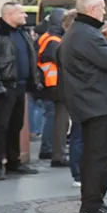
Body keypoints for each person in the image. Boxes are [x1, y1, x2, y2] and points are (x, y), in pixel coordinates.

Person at [61, 0, 107, 213]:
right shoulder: (86, 34)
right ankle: (91, 206)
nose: (104, 12)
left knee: (99, 156)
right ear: (92, 9)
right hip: (96, 104)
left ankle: (95, 203)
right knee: (98, 157)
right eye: (102, 8)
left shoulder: (82, 32)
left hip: (94, 103)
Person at [0, 2, 44, 180]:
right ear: (9, 15)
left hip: (20, 86)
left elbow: (30, 59)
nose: (24, 16)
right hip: (4, 87)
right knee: (0, 126)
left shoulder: (22, 33)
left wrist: (34, 81)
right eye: (21, 12)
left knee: (16, 125)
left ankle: (13, 162)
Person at [36, 9, 71, 166]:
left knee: (56, 119)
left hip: (52, 84)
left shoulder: (48, 38)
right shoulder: (54, 40)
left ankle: (53, 150)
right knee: (58, 120)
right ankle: (55, 152)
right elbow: (62, 61)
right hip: (56, 84)